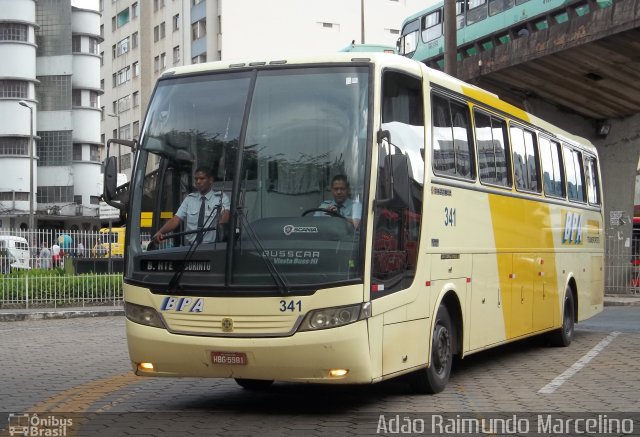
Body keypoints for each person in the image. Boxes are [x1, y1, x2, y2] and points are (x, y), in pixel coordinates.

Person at [153, 166, 230, 245]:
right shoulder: (189, 199)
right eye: (196, 179)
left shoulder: (221, 198)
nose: (198, 182)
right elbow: (175, 220)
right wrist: (160, 232)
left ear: (210, 180)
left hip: (211, 247)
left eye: (202, 178)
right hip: (191, 248)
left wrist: (222, 222)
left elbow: (225, 216)